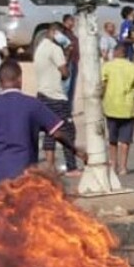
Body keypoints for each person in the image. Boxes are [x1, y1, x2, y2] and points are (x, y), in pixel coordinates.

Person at [0, 60, 85, 193]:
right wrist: (76, 151)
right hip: (26, 177)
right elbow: (57, 133)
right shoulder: (34, 105)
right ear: (20, 79)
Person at [33, 24, 79, 175]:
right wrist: (67, 53)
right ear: (54, 32)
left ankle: (50, 166)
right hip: (56, 96)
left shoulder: (40, 48)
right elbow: (65, 73)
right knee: (68, 131)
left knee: (49, 131)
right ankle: (71, 166)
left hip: (42, 94)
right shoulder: (55, 49)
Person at [101, 46, 134, 176]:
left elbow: (103, 85)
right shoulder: (133, 68)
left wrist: (100, 100)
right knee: (125, 140)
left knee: (112, 140)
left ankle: (113, 164)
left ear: (115, 52)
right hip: (127, 108)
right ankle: (123, 167)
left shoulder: (107, 66)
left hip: (111, 107)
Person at [61, 14, 80, 102]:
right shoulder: (63, 33)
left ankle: (68, 109)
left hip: (74, 62)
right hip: (68, 63)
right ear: (66, 21)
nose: (73, 23)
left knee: (71, 87)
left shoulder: (71, 33)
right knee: (66, 88)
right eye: (71, 20)